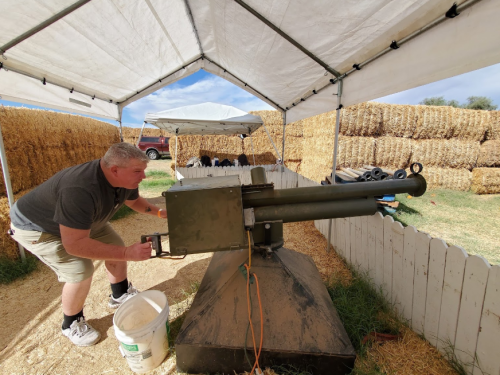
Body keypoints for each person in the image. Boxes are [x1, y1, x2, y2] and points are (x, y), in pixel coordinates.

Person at [9, 142, 167, 347]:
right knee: (79, 270)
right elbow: (74, 245)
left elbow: (133, 201)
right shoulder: (79, 188)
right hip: (38, 227)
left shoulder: (123, 180)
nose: (143, 177)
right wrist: (128, 252)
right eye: (138, 171)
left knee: (114, 245)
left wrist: (158, 212)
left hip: (83, 221)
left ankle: (120, 294)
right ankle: (71, 323)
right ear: (115, 170)